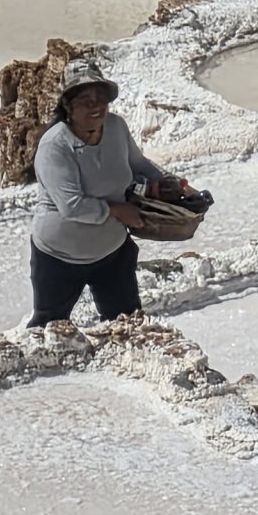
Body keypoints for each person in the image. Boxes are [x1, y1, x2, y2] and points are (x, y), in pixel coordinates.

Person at [27, 57, 184, 328]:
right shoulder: (55, 146)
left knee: (128, 322)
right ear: (67, 105)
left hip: (111, 252)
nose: (97, 107)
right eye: (87, 100)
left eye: (101, 99)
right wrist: (118, 210)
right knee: (49, 328)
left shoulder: (116, 127)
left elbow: (138, 165)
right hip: (59, 256)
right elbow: (72, 206)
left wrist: (165, 183)